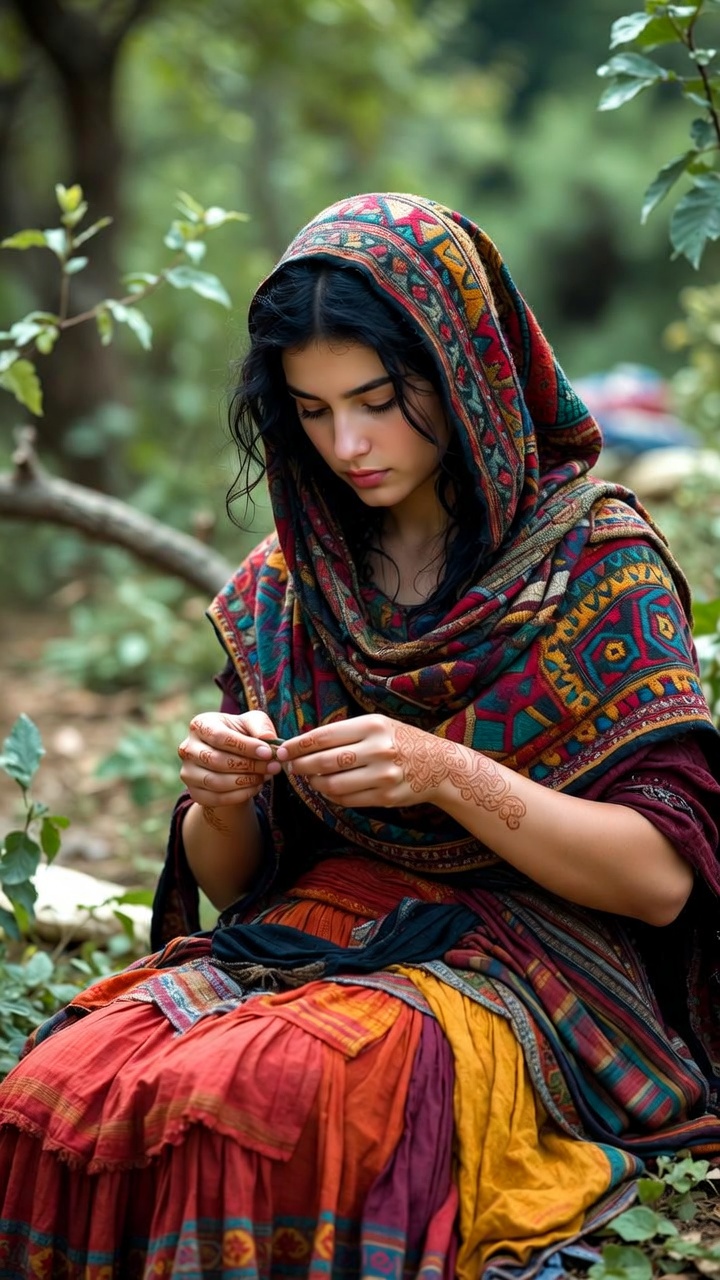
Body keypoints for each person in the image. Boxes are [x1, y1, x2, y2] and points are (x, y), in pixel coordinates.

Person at [1, 191, 720, 1280]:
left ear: (467, 371)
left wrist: (443, 770)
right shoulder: (293, 581)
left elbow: (661, 881)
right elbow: (236, 880)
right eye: (312, 409)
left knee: (282, 1099)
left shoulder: (595, 561)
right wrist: (223, 794)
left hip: (539, 960)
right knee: (57, 1088)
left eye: (379, 400)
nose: (348, 444)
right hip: (315, 928)